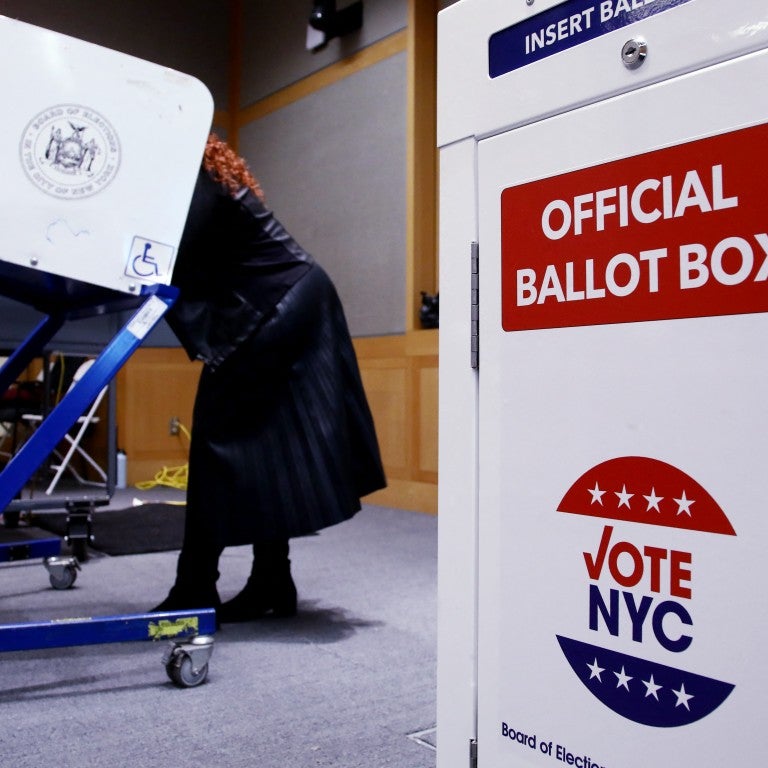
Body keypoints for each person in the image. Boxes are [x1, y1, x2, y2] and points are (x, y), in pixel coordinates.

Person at [152, 134, 386, 622]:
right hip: (292, 296)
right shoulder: (205, 169)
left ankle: (196, 586)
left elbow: (172, 253)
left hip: (276, 303)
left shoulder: (190, 177)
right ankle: (272, 580)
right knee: (267, 446)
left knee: (216, 442)